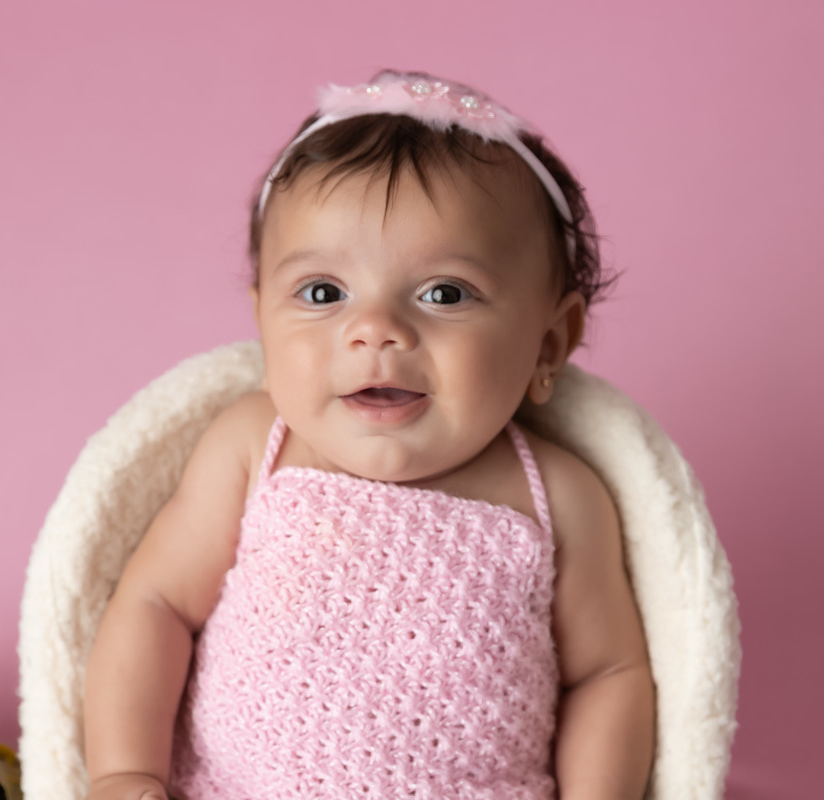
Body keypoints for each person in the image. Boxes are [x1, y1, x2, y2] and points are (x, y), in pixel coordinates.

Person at [83, 69, 655, 800]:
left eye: (444, 293)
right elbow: (156, 606)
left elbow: (606, 673)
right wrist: (125, 771)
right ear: (263, 322)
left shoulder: (558, 498)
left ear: (548, 344)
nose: (375, 330)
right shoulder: (254, 448)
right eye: (323, 293)